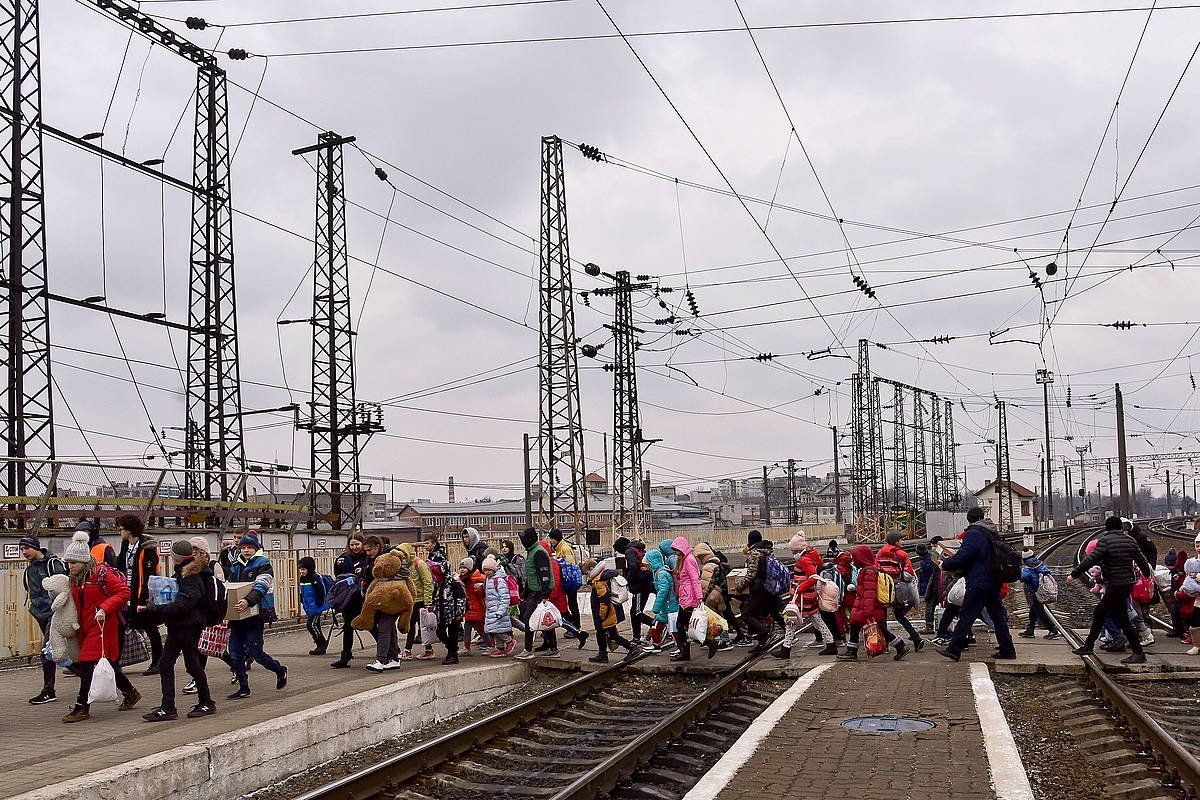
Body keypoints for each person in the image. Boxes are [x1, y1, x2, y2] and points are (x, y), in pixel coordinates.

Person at [61, 531, 140, 723]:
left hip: (103, 625)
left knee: (87, 663)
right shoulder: (75, 578)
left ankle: (82, 707)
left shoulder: (101, 574)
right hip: (86, 627)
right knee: (108, 665)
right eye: (68, 563)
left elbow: (123, 592)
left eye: (74, 563)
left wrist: (104, 608)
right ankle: (130, 692)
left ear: (84, 561)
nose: (70, 566)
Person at [138, 539, 216, 721]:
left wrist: (158, 609)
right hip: (181, 625)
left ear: (175, 557)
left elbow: (186, 602)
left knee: (187, 664)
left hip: (187, 626)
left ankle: (199, 703)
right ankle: (174, 705)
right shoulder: (186, 571)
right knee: (180, 664)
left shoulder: (191, 575)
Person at [1068, 515, 1153, 664]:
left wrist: (1074, 573)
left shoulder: (1105, 541)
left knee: (1122, 619)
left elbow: (1091, 559)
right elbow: (1141, 560)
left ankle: (1138, 652)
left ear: (1106, 528)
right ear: (1120, 527)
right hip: (1126, 584)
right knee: (1100, 613)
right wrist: (1146, 573)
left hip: (1115, 585)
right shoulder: (1130, 540)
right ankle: (1088, 645)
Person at [935, 508, 1016, 663]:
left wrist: (945, 564)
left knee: (966, 615)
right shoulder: (991, 531)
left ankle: (954, 650)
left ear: (968, 519)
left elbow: (963, 556)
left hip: (979, 582)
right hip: (993, 580)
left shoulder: (974, 534)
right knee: (997, 617)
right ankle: (1008, 649)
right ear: (982, 517)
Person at [225, 531, 287, 698]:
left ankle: (279, 669)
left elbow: (262, 585)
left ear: (256, 548)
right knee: (235, 651)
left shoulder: (263, 563)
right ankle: (243, 687)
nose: (246, 550)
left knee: (256, 652)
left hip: (255, 614)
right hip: (238, 615)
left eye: (249, 547)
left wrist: (247, 601)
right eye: (243, 547)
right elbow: (230, 586)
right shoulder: (236, 565)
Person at [837, 545, 909, 661]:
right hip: (868, 606)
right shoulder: (870, 569)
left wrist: (867, 611)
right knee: (870, 628)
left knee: (868, 627)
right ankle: (900, 646)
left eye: (855, 557)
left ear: (861, 558)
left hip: (868, 607)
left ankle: (852, 651)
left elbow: (870, 592)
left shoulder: (868, 572)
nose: (853, 560)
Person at [21, 534, 68, 705]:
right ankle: (90, 676)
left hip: (55, 614)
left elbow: (65, 587)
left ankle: (49, 691)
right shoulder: (30, 569)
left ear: (36, 547)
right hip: (40, 614)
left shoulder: (52, 564)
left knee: (47, 652)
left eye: (27, 548)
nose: (23, 552)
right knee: (59, 653)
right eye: (22, 549)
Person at [115, 514, 163, 675]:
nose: (119, 532)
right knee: (122, 626)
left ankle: (158, 661)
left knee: (150, 627)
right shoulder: (125, 545)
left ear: (129, 530)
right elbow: (120, 565)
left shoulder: (147, 548)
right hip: (127, 593)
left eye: (121, 528)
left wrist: (145, 599)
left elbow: (149, 575)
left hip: (141, 595)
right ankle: (116, 662)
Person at [778, 531, 837, 659]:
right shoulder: (810, 558)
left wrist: (800, 588)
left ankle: (785, 649)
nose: (793, 554)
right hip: (808, 596)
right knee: (817, 619)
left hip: (803, 596)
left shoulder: (804, 560)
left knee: (791, 621)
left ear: (799, 549)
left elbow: (813, 577)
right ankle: (831, 644)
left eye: (794, 552)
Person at [876, 531, 925, 652]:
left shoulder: (879, 554)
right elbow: (908, 575)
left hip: (883, 589)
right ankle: (915, 637)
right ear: (896, 542)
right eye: (901, 540)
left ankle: (885, 645)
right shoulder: (901, 554)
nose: (902, 542)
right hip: (898, 589)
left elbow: (876, 569)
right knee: (899, 615)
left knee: (882, 617)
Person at [582, 558, 638, 663]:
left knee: (611, 634)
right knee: (605, 633)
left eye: (587, 572)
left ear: (591, 569)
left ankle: (631, 648)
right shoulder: (604, 575)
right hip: (610, 611)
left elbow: (604, 600)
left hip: (605, 613)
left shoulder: (599, 581)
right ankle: (603, 654)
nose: (587, 575)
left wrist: (602, 616)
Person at [733, 530, 779, 654]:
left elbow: (751, 574)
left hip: (758, 588)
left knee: (746, 613)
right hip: (768, 587)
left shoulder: (755, 553)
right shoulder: (768, 551)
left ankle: (764, 634)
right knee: (760, 612)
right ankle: (764, 636)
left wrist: (739, 587)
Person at [515, 527, 558, 660]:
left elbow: (544, 574)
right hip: (535, 591)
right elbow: (532, 575)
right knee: (545, 619)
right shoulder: (532, 551)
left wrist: (544, 595)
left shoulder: (538, 552)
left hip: (540, 592)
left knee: (529, 619)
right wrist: (525, 592)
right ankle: (553, 648)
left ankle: (528, 650)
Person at [669, 537, 711, 661]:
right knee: (686, 625)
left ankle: (687, 652)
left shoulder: (688, 560)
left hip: (690, 598)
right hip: (686, 597)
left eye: (677, 550)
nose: (676, 553)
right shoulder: (684, 560)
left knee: (682, 625)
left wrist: (699, 597)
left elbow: (695, 579)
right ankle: (687, 651)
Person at [331, 534, 368, 669]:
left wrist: (363, 571)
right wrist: (337, 564)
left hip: (362, 597)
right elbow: (338, 575)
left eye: (357, 544)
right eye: (352, 545)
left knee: (370, 625)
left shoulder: (367, 557)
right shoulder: (343, 557)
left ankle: (387, 652)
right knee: (348, 626)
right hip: (347, 598)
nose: (354, 547)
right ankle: (345, 656)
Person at [693, 541, 738, 650]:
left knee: (716, 619)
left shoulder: (708, 566)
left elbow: (707, 584)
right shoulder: (717, 563)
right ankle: (715, 640)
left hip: (712, 598)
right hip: (720, 596)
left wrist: (702, 597)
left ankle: (724, 641)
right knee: (719, 618)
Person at [397, 543, 435, 660]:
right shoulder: (404, 566)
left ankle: (421, 649)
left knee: (422, 626)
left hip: (421, 600)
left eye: (403, 555)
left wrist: (428, 601)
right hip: (411, 600)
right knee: (412, 625)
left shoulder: (419, 564)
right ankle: (411, 650)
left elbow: (428, 582)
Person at [615, 537, 653, 645]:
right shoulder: (637, 548)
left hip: (639, 586)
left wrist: (627, 580)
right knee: (634, 612)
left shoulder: (629, 551)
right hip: (644, 584)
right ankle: (636, 637)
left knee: (636, 612)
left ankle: (656, 624)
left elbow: (633, 567)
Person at [642, 547, 678, 654]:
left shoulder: (660, 574)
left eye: (647, 564)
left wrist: (656, 607)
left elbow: (663, 591)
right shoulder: (661, 571)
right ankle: (656, 644)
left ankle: (679, 647)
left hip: (668, 605)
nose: (646, 567)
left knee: (672, 627)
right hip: (668, 605)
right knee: (659, 624)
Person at [432, 555, 467, 665]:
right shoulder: (438, 585)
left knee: (453, 635)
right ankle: (451, 648)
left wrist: (459, 613)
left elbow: (462, 598)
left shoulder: (453, 584)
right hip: (441, 615)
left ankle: (452, 655)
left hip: (453, 615)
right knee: (440, 632)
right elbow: (435, 598)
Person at [1018, 549, 1057, 639]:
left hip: (1036, 592)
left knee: (1040, 612)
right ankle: (1030, 629)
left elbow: (1023, 578)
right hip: (1040, 591)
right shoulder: (1039, 563)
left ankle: (1053, 630)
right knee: (1033, 611)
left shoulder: (1029, 567)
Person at [548, 529, 582, 634]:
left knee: (573, 604)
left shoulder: (565, 548)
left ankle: (576, 627)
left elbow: (570, 566)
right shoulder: (559, 548)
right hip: (565, 582)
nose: (551, 541)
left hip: (569, 582)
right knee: (570, 604)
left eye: (552, 538)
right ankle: (573, 626)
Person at [482, 554, 515, 657]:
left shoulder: (499, 580)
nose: (487, 572)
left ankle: (509, 641)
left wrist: (501, 611)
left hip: (498, 610)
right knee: (494, 630)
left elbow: (505, 597)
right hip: (491, 609)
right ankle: (499, 647)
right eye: (485, 570)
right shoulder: (488, 579)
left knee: (497, 629)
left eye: (489, 570)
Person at [298, 556, 328, 655]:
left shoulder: (315, 577)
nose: (301, 572)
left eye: (303, 569)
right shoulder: (302, 578)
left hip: (316, 606)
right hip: (309, 605)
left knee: (311, 625)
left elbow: (321, 591)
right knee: (315, 625)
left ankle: (321, 643)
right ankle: (320, 645)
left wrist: (319, 603)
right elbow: (303, 591)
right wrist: (302, 599)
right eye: (300, 569)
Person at [918, 539, 941, 633]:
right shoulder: (932, 558)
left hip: (930, 586)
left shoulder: (928, 561)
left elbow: (927, 577)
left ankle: (929, 626)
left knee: (929, 606)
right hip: (934, 586)